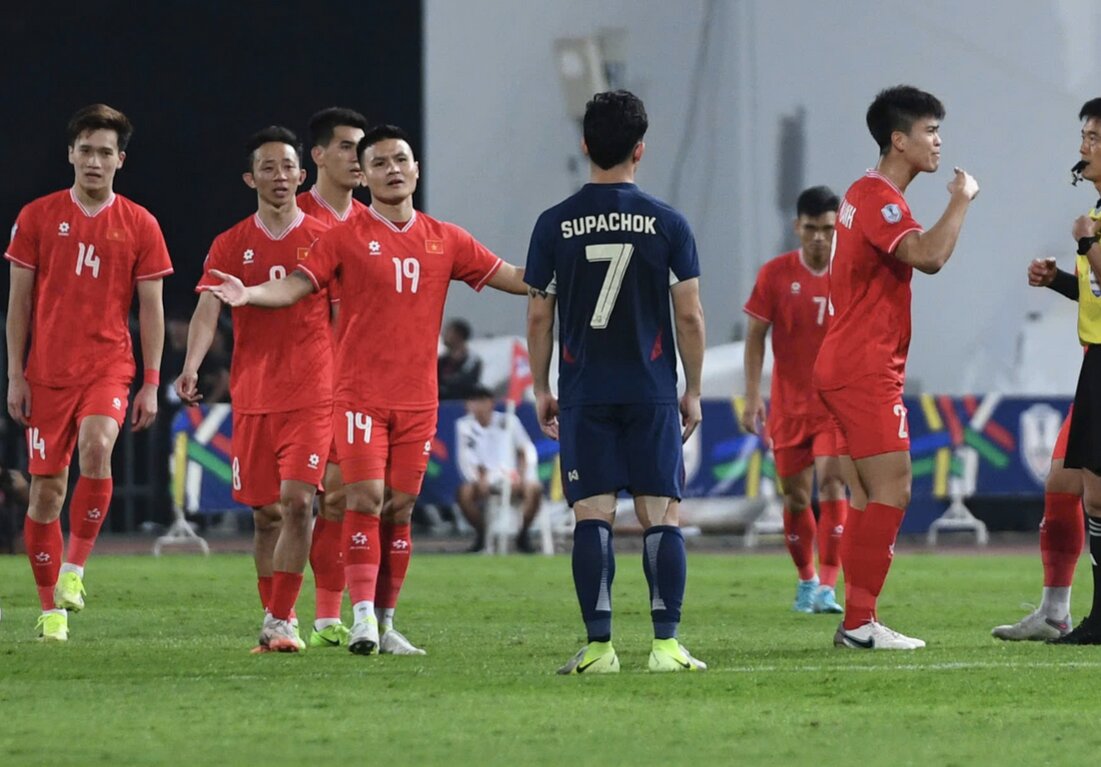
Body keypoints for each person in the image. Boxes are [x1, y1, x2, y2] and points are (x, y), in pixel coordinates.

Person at [202, 123, 529, 656]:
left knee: (400, 508)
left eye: (400, 160)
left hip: (419, 399)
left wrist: (563, 274)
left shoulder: (447, 238)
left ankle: (386, 621)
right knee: (363, 498)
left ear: (416, 169)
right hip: (357, 397)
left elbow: (511, 276)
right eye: (379, 163)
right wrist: (251, 293)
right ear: (366, 176)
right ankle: (358, 621)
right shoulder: (341, 236)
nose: (391, 170)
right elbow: (296, 285)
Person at [526, 90, 708, 674]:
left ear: (585, 145)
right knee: (661, 517)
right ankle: (666, 647)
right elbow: (689, 315)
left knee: (593, 517)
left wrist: (541, 387)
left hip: (586, 393)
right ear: (640, 149)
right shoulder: (669, 223)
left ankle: (601, 649)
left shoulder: (553, 224)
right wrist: (693, 389)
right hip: (650, 391)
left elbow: (539, 315)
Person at [813, 85, 979, 650]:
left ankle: (858, 620)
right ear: (899, 140)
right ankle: (860, 622)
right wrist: (962, 200)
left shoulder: (862, 191)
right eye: (930, 131)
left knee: (865, 496)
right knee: (895, 488)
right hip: (863, 367)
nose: (938, 141)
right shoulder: (880, 198)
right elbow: (929, 256)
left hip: (845, 361)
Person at [5, 104, 173, 642]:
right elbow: (19, 305)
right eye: (86, 151)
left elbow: (151, 310)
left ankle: (74, 570)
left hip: (108, 367)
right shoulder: (37, 216)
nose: (94, 161)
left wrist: (151, 382)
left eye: (105, 152)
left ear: (120, 160)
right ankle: (50, 608)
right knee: (45, 494)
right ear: (70, 155)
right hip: (47, 373)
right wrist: (15, 375)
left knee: (97, 446)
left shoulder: (141, 224)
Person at [175, 125, 332, 653]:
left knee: (298, 503)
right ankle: (274, 618)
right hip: (254, 394)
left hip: (312, 392)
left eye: (288, 166)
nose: (279, 175)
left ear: (302, 174)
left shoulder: (324, 237)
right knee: (265, 516)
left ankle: (284, 619)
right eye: (268, 167)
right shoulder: (230, 242)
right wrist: (192, 365)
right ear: (251, 178)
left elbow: (336, 308)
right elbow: (207, 307)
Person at [742, 185, 848, 615]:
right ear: (797, 227)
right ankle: (806, 579)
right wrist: (752, 395)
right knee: (797, 497)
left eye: (827, 229)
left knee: (832, 482)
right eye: (811, 229)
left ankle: (828, 586)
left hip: (834, 406)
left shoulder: (849, 273)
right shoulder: (775, 275)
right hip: (788, 406)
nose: (819, 237)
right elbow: (755, 336)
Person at [296, 106, 370, 648]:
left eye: (361, 148)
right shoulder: (292, 216)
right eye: (346, 146)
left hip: (357, 384)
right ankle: (279, 613)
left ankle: (327, 617)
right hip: (299, 384)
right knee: (287, 506)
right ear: (318, 155)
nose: (357, 157)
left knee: (342, 498)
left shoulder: (374, 222)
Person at [990, 255, 1086, 640]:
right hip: (1094, 372)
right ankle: (1054, 613)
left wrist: (1087, 241)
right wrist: (1058, 280)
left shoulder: (1090, 234)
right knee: (1061, 486)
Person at [1047, 97, 1101, 645]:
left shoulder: (1095, 223)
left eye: (1094, 137)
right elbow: (1097, 294)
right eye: (1084, 136)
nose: (1083, 147)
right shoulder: (1098, 212)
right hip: (1096, 358)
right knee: (1087, 492)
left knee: (1092, 492)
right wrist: (1059, 280)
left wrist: (1086, 241)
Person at [455, 384, 543, 553]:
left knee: (534, 489)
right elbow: (465, 458)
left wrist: (523, 476)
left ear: (491, 403)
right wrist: (477, 479)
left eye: (482, 401)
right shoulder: (464, 426)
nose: (478, 406)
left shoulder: (509, 421)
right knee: (464, 494)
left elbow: (525, 450)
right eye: (474, 401)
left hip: (512, 475)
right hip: (485, 478)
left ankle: (523, 535)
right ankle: (482, 535)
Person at [438, 318, 484, 400]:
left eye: (448, 332)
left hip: (462, 403)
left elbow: (466, 383)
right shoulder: (441, 361)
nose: (444, 335)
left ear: (458, 335)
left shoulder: (472, 360)